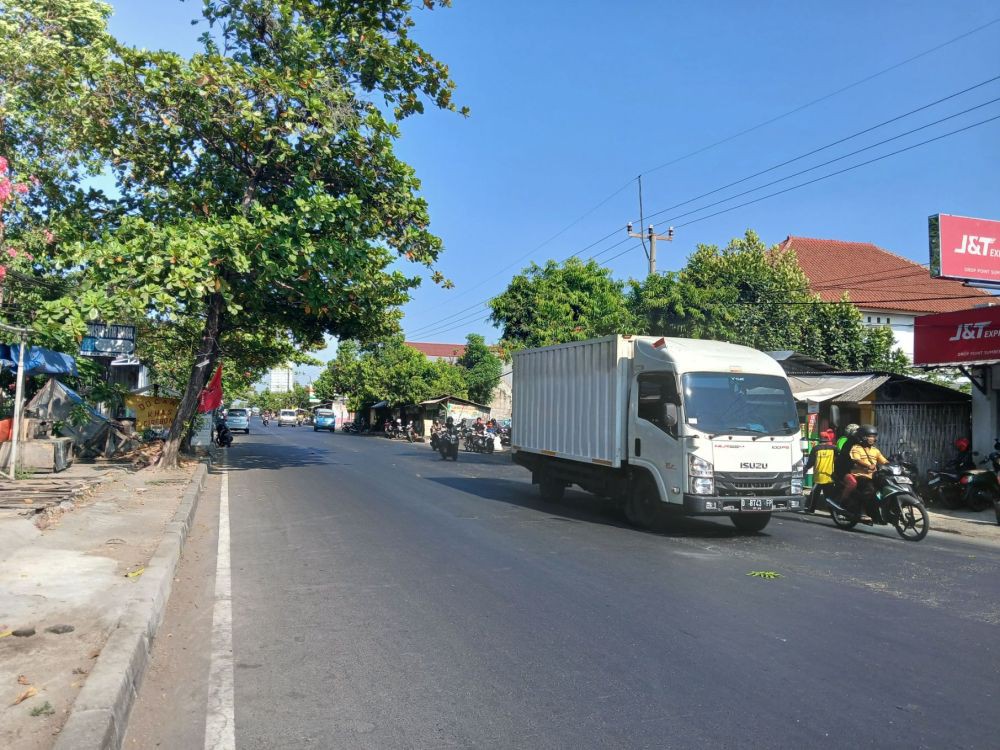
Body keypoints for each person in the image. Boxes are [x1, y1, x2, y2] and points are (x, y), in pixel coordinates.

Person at [846, 424, 889, 517]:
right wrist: (868, 466)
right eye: (870, 436)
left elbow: (884, 461)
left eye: (873, 437)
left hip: (873, 476)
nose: (872, 439)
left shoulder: (875, 450)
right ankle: (862, 510)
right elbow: (856, 460)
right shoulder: (856, 448)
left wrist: (892, 465)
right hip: (859, 475)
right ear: (862, 437)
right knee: (869, 489)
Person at [803, 428, 837, 512]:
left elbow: (811, 462)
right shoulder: (834, 449)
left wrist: (806, 469)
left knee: (814, 494)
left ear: (820, 439)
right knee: (829, 496)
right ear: (828, 438)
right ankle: (833, 512)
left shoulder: (815, 448)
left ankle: (811, 509)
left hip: (818, 476)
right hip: (829, 476)